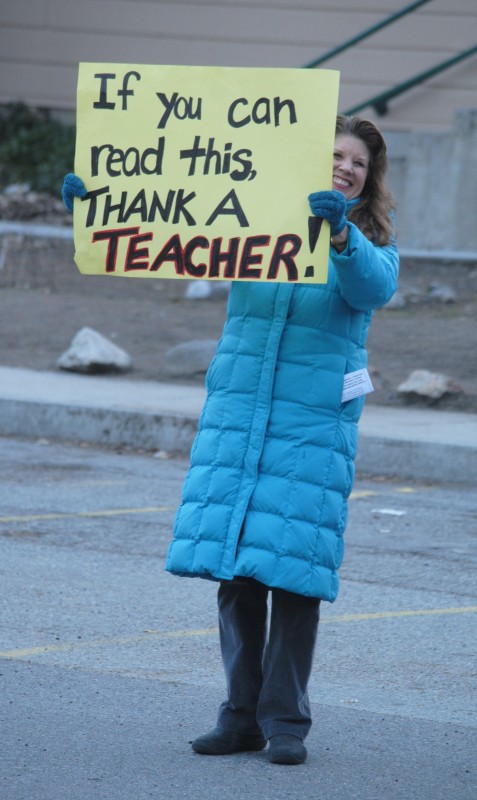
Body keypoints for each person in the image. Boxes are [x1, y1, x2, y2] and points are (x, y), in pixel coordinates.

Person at [62, 113, 399, 766]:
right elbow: (168, 235)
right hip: (239, 421)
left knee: (294, 578)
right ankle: (238, 716)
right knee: (239, 575)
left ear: (367, 178)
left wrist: (336, 233)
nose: (345, 167)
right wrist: (98, 209)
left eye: (358, 162)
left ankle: (285, 724)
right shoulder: (252, 219)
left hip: (308, 432)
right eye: (335, 154)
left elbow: (373, 287)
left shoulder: (367, 239)